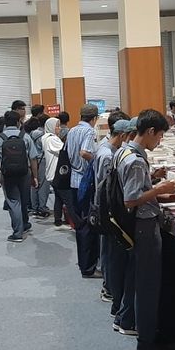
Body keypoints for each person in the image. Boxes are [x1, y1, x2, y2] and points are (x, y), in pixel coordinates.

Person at [116, 109, 175, 350]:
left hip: (141, 224)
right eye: (160, 137)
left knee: (142, 279)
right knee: (147, 282)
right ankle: (146, 340)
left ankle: (145, 330)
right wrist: (161, 188)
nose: (160, 142)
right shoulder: (134, 160)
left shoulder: (126, 151)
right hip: (143, 226)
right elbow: (131, 200)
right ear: (151, 131)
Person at [0, 110, 40, 242]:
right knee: (23, 200)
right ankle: (25, 224)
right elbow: (33, 158)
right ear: (18, 122)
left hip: (7, 175)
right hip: (25, 173)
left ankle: (17, 233)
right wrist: (35, 177)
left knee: (13, 202)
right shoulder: (25, 136)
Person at [95, 117, 129, 307]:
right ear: (123, 135)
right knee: (109, 250)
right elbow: (107, 184)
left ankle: (108, 286)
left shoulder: (104, 149)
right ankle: (109, 288)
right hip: (108, 208)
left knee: (107, 249)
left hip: (104, 206)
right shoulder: (108, 155)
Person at [66, 103, 100, 278]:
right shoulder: (89, 132)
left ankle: (84, 263)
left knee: (80, 223)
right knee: (89, 224)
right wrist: (99, 159)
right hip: (85, 182)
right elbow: (84, 152)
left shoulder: (72, 131)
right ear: (94, 118)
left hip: (73, 180)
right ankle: (88, 267)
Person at [41, 117, 74, 231]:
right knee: (68, 199)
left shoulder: (46, 137)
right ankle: (76, 222)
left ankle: (58, 220)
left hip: (53, 173)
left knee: (59, 198)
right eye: (57, 126)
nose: (59, 128)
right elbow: (65, 150)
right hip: (57, 173)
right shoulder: (52, 139)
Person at [25, 117, 50, 218]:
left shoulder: (31, 133)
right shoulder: (44, 135)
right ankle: (42, 207)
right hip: (42, 160)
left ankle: (34, 206)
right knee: (43, 185)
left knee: (34, 183)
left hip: (32, 160)